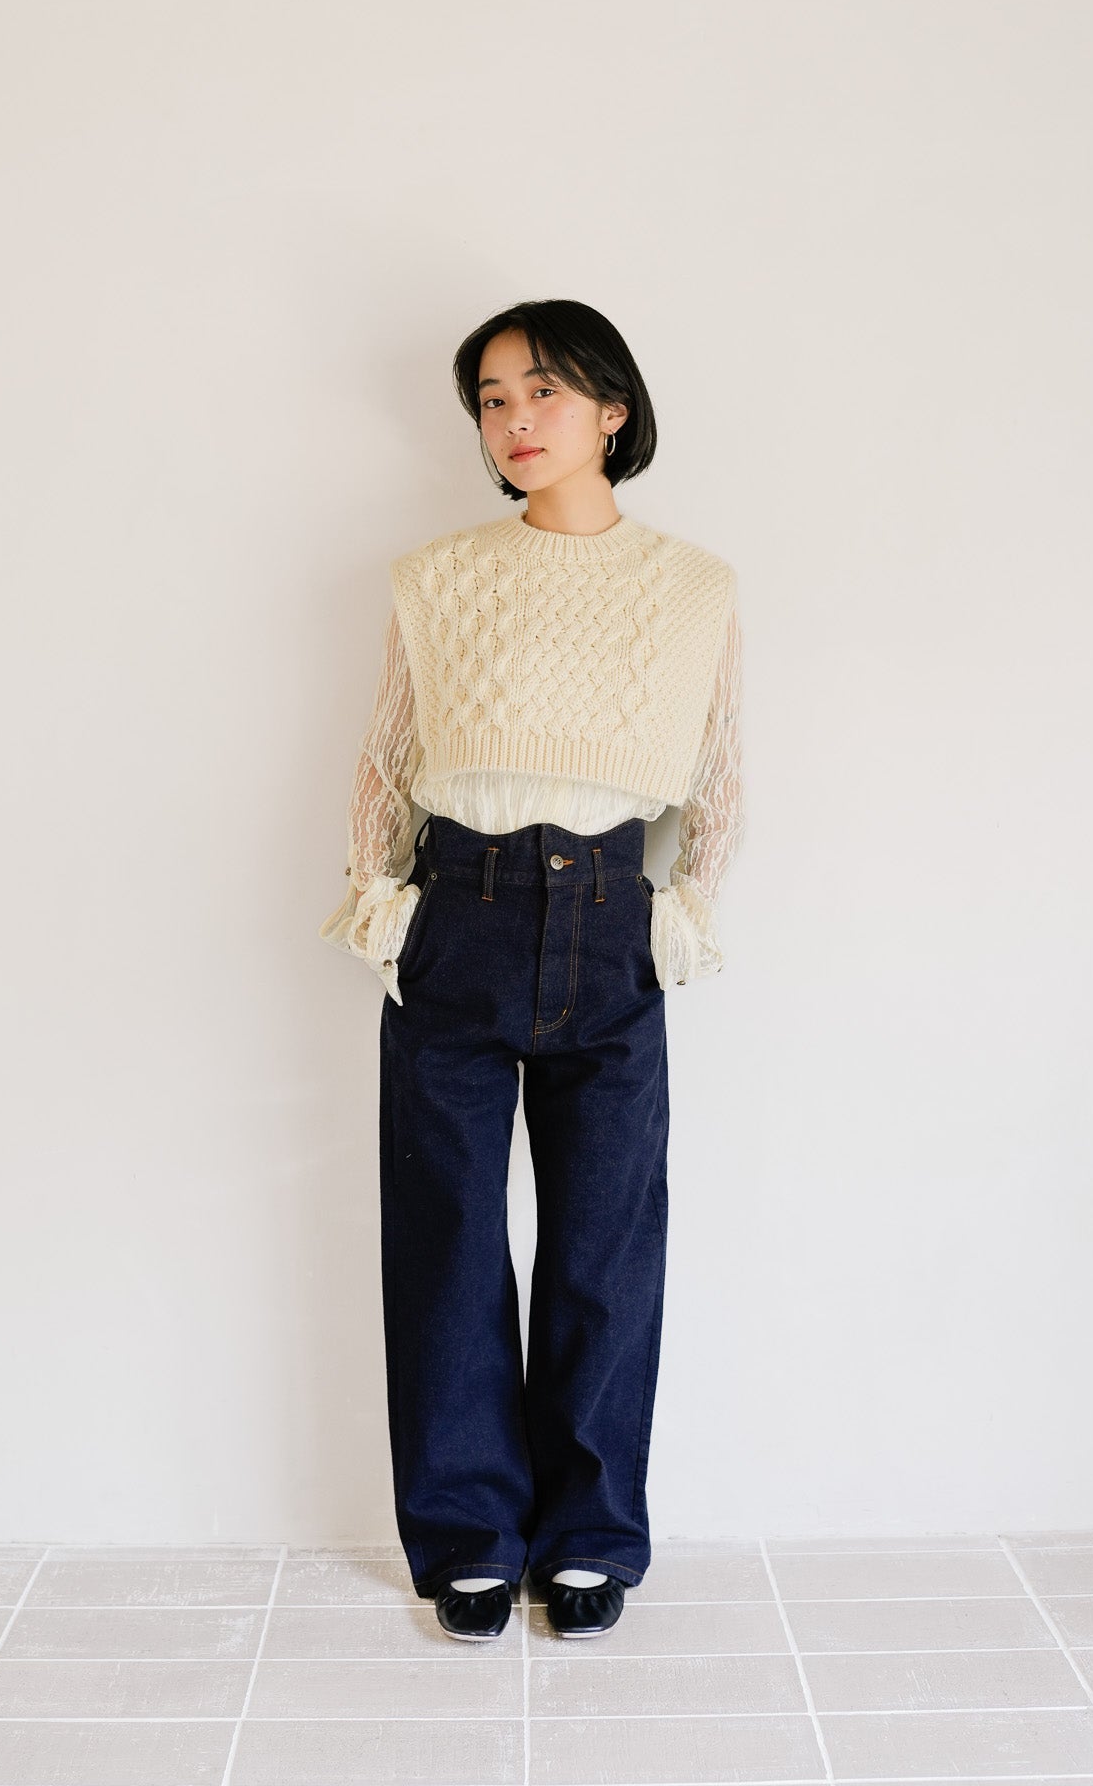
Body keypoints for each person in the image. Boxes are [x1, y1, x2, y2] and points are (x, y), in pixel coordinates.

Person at [318, 299, 744, 1641]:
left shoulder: (695, 586)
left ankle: (589, 1540)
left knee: (604, 1248)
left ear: (613, 410)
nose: (514, 421)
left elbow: (720, 772)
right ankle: (467, 1539)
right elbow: (389, 754)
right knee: (445, 1239)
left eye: (542, 391)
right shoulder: (439, 576)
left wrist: (688, 906)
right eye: (492, 400)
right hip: (461, 911)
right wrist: (382, 905)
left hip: (615, 920)